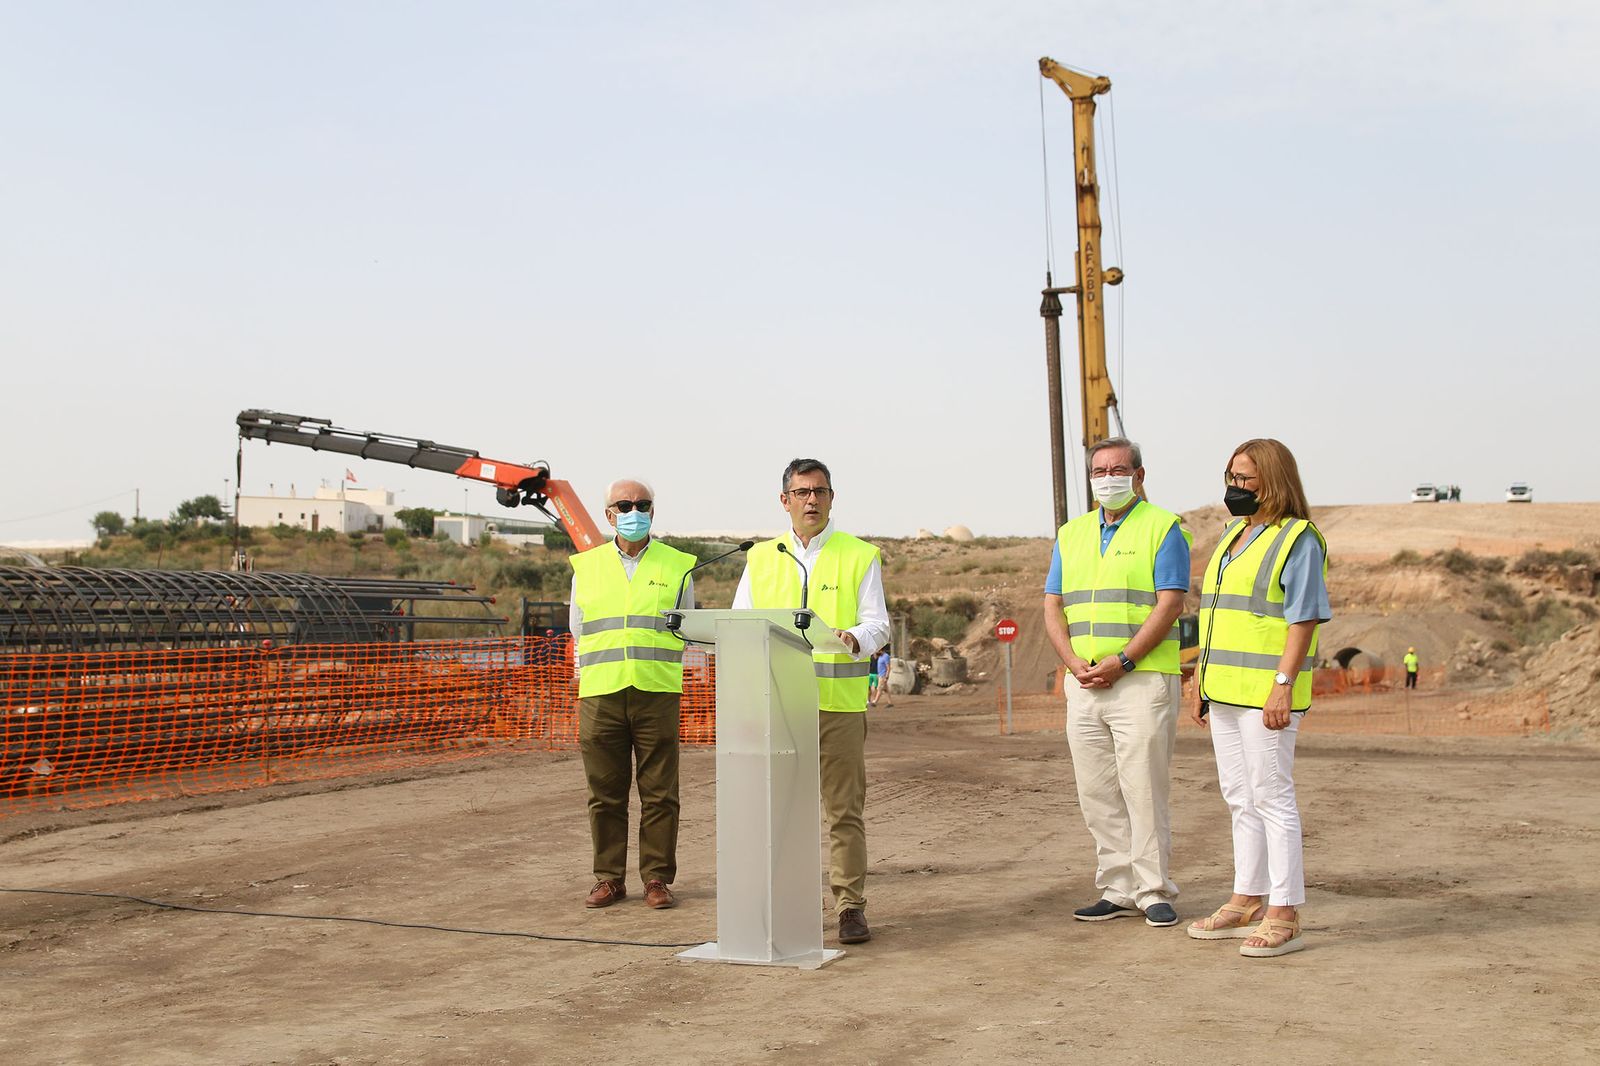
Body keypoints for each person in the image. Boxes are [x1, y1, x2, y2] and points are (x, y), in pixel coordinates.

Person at [733, 458, 890, 945]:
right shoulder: (759, 558)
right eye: (801, 492)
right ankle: (781, 902)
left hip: (838, 704)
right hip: (779, 704)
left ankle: (849, 906)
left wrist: (853, 638)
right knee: (779, 809)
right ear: (785, 500)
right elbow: (740, 620)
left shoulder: (859, 555)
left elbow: (879, 624)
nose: (811, 500)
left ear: (831, 498)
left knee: (844, 811)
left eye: (820, 491)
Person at [1187, 439, 1330, 958]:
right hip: (1223, 690)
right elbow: (1217, 617)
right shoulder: (1231, 536)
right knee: (1238, 797)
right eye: (1229, 476)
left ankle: (1284, 911)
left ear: (1272, 480)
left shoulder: (1298, 539)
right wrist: (1201, 685)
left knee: (1272, 796)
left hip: (1266, 695)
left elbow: (1304, 617)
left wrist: (1283, 686)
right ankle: (1246, 897)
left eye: (1244, 479)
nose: (1233, 488)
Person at [1043, 437, 1191, 929]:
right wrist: (1072, 663)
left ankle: (1153, 889)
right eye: (1099, 471)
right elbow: (1052, 605)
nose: (1108, 478)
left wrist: (1122, 663)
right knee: (1097, 790)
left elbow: (1170, 604)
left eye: (1118, 469)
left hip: (1140, 680)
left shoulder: (1163, 528)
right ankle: (1117, 886)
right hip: (1083, 682)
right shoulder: (1071, 534)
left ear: (1140, 475)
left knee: (1143, 788)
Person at [568, 478, 697, 911]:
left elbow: (690, 626)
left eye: (642, 504)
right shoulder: (586, 566)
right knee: (604, 793)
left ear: (653, 511)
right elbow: (578, 630)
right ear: (609, 515)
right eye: (624, 505)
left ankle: (657, 878)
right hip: (601, 694)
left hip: (657, 691)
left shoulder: (679, 565)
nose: (634, 511)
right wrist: (583, 680)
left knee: (660, 792)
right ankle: (609, 879)